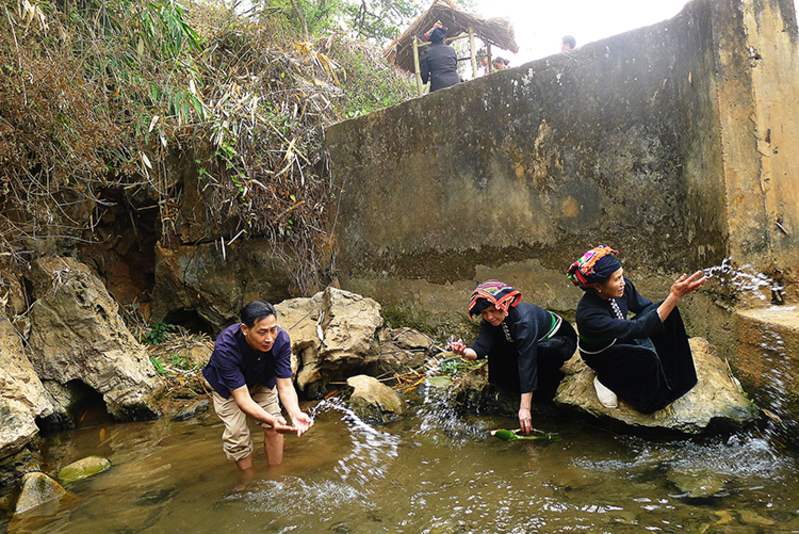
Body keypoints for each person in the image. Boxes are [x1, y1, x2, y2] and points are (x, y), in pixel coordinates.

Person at [568, 245, 705, 413]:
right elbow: (640, 329)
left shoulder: (624, 288)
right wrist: (674, 296)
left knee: (666, 312)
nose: (622, 282)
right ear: (598, 286)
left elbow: (647, 309)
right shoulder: (588, 314)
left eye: (622, 276)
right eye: (616, 279)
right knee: (646, 358)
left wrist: (666, 311)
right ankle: (607, 379)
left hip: (622, 335)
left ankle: (679, 378)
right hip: (603, 354)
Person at [449, 280, 577, 434]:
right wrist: (462, 351)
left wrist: (524, 409)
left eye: (492, 310)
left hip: (559, 342)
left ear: (505, 304)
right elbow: (481, 349)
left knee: (541, 352)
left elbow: (527, 362)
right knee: (497, 347)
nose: (489, 317)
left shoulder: (524, 320)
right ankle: (504, 388)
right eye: (484, 313)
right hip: (521, 343)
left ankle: (543, 394)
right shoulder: (492, 321)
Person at [202, 301, 313, 471]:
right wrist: (271, 420)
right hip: (228, 389)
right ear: (245, 329)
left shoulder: (281, 339)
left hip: (262, 382)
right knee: (237, 434)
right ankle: (248, 479)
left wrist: (295, 412)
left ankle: (276, 475)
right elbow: (242, 399)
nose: (269, 338)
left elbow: (285, 386)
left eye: (273, 329)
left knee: (276, 426)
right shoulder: (225, 347)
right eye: (262, 332)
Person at [420, 26, 460, 92]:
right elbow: (455, 66)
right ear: (443, 39)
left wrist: (425, 81)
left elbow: (424, 74)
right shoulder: (451, 50)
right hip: (455, 82)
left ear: (431, 40)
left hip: (438, 85)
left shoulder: (426, 52)